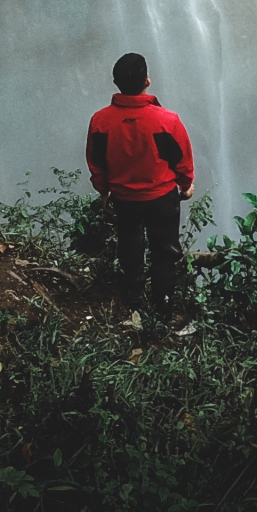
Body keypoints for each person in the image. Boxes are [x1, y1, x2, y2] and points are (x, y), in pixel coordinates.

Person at [85, 53, 195, 315]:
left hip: (124, 200)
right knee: (165, 251)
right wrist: (186, 185)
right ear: (147, 81)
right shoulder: (167, 120)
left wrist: (103, 192)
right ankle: (163, 306)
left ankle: (133, 300)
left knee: (130, 246)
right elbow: (182, 158)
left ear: (116, 83)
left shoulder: (100, 121)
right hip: (162, 198)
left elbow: (96, 162)